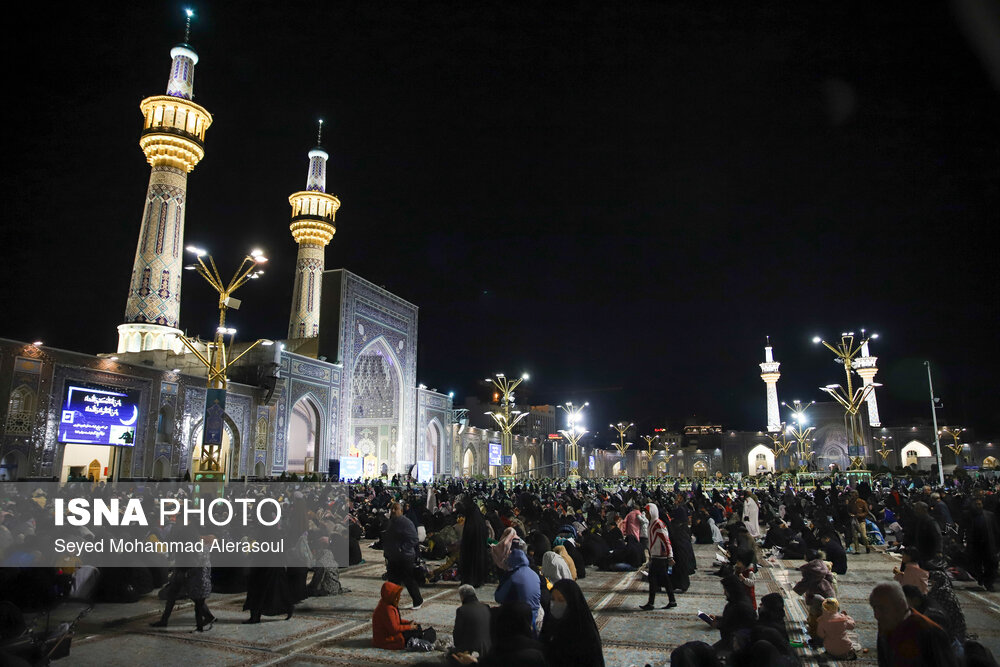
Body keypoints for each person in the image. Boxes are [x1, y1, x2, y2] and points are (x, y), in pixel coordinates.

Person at [868, 581, 958, 667]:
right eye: (874, 608)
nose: (876, 615)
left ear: (900, 604)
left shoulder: (930, 631)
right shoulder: (885, 625)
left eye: (882, 608)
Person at [539, 579, 605, 667]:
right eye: (552, 599)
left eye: (561, 600)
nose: (555, 604)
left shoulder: (586, 637)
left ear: (572, 603)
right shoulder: (549, 625)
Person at [382, 501, 423, 609]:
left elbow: (414, 539)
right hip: (393, 557)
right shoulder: (391, 522)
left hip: (405, 557)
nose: (394, 511)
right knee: (392, 581)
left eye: (396, 509)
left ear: (401, 510)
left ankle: (418, 601)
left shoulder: (406, 523)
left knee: (408, 580)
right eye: (392, 509)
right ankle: (392, 603)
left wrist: (402, 549)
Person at [706, 575, 757, 656]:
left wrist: (718, 624)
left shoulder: (741, 606)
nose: (724, 593)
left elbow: (735, 627)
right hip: (731, 640)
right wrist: (718, 618)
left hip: (736, 645)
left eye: (725, 590)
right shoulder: (738, 601)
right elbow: (733, 619)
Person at [640, 502, 677, 610]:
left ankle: (652, 603)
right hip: (656, 556)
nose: (646, 514)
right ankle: (670, 600)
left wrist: (670, 556)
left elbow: (666, 541)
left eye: (647, 512)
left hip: (661, 557)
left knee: (655, 579)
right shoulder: (651, 524)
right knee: (661, 580)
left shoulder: (658, 524)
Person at [495, 546, 542, 630]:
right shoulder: (534, 574)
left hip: (519, 617)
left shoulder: (514, 577)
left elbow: (499, 597)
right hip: (534, 615)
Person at [372, 581, 422, 649]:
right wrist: (410, 627)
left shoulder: (387, 603)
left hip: (388, 635)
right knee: (416, 631)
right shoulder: (387, 609)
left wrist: (408, 623)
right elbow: (394, 629)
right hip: (387, 639)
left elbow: (395, 621)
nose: (398, 598)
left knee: (417, 628)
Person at [452, 584, 491, 657]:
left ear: (462, 596)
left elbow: (457, 634)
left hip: (472, 651)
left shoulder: (462, 610)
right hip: (488, 649)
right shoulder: (486, 607)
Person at [459, 500, 491, 588]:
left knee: (470, 564)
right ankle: (478, 580)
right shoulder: (480, 521)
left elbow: (467, 539)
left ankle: (470, 580)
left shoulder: (470, 523)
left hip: (470, 550)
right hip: (480, 549)